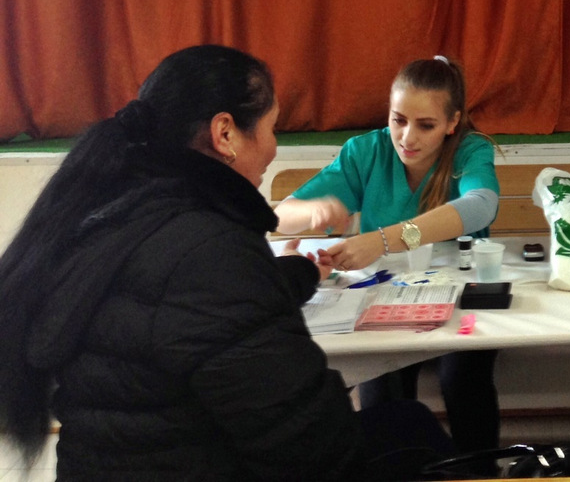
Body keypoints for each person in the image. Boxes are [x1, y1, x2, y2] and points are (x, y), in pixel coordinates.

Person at [0, 46, 371, 479]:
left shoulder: (115, 212)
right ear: (225, 133)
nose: (273, 147)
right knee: (406, 427)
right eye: (271, 128)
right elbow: (313, 446)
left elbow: (192, 314)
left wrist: (301, 271)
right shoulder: (210, 248)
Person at [275, 56, 501, 453]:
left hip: (463, 300)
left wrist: (382, 240)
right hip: (387, 299)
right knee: (383, 382)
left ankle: (478, 470)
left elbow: (481, 205)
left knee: (463, 376)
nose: (407, 138)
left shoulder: (470, 150)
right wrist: (315, 210)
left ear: (452, 123)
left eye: (426, 125)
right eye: (398, 120)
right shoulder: (366, 151)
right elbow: (280, 216)